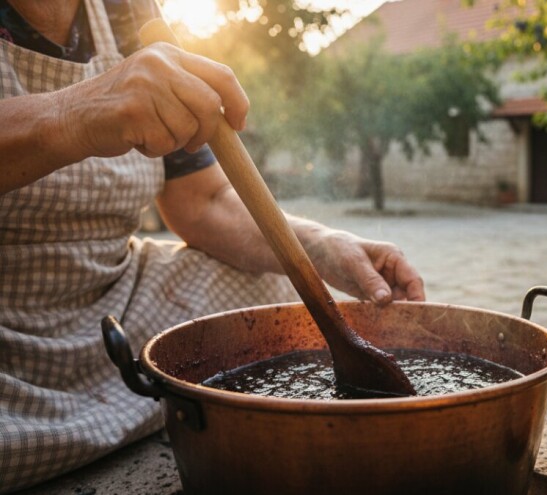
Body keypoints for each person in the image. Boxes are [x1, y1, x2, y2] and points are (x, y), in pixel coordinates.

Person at [0, 0, 425, 492]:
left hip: (117, 298)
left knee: (271, 299)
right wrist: (76, 111)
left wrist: (322, 244)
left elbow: (202, 198)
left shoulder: (130, 9)